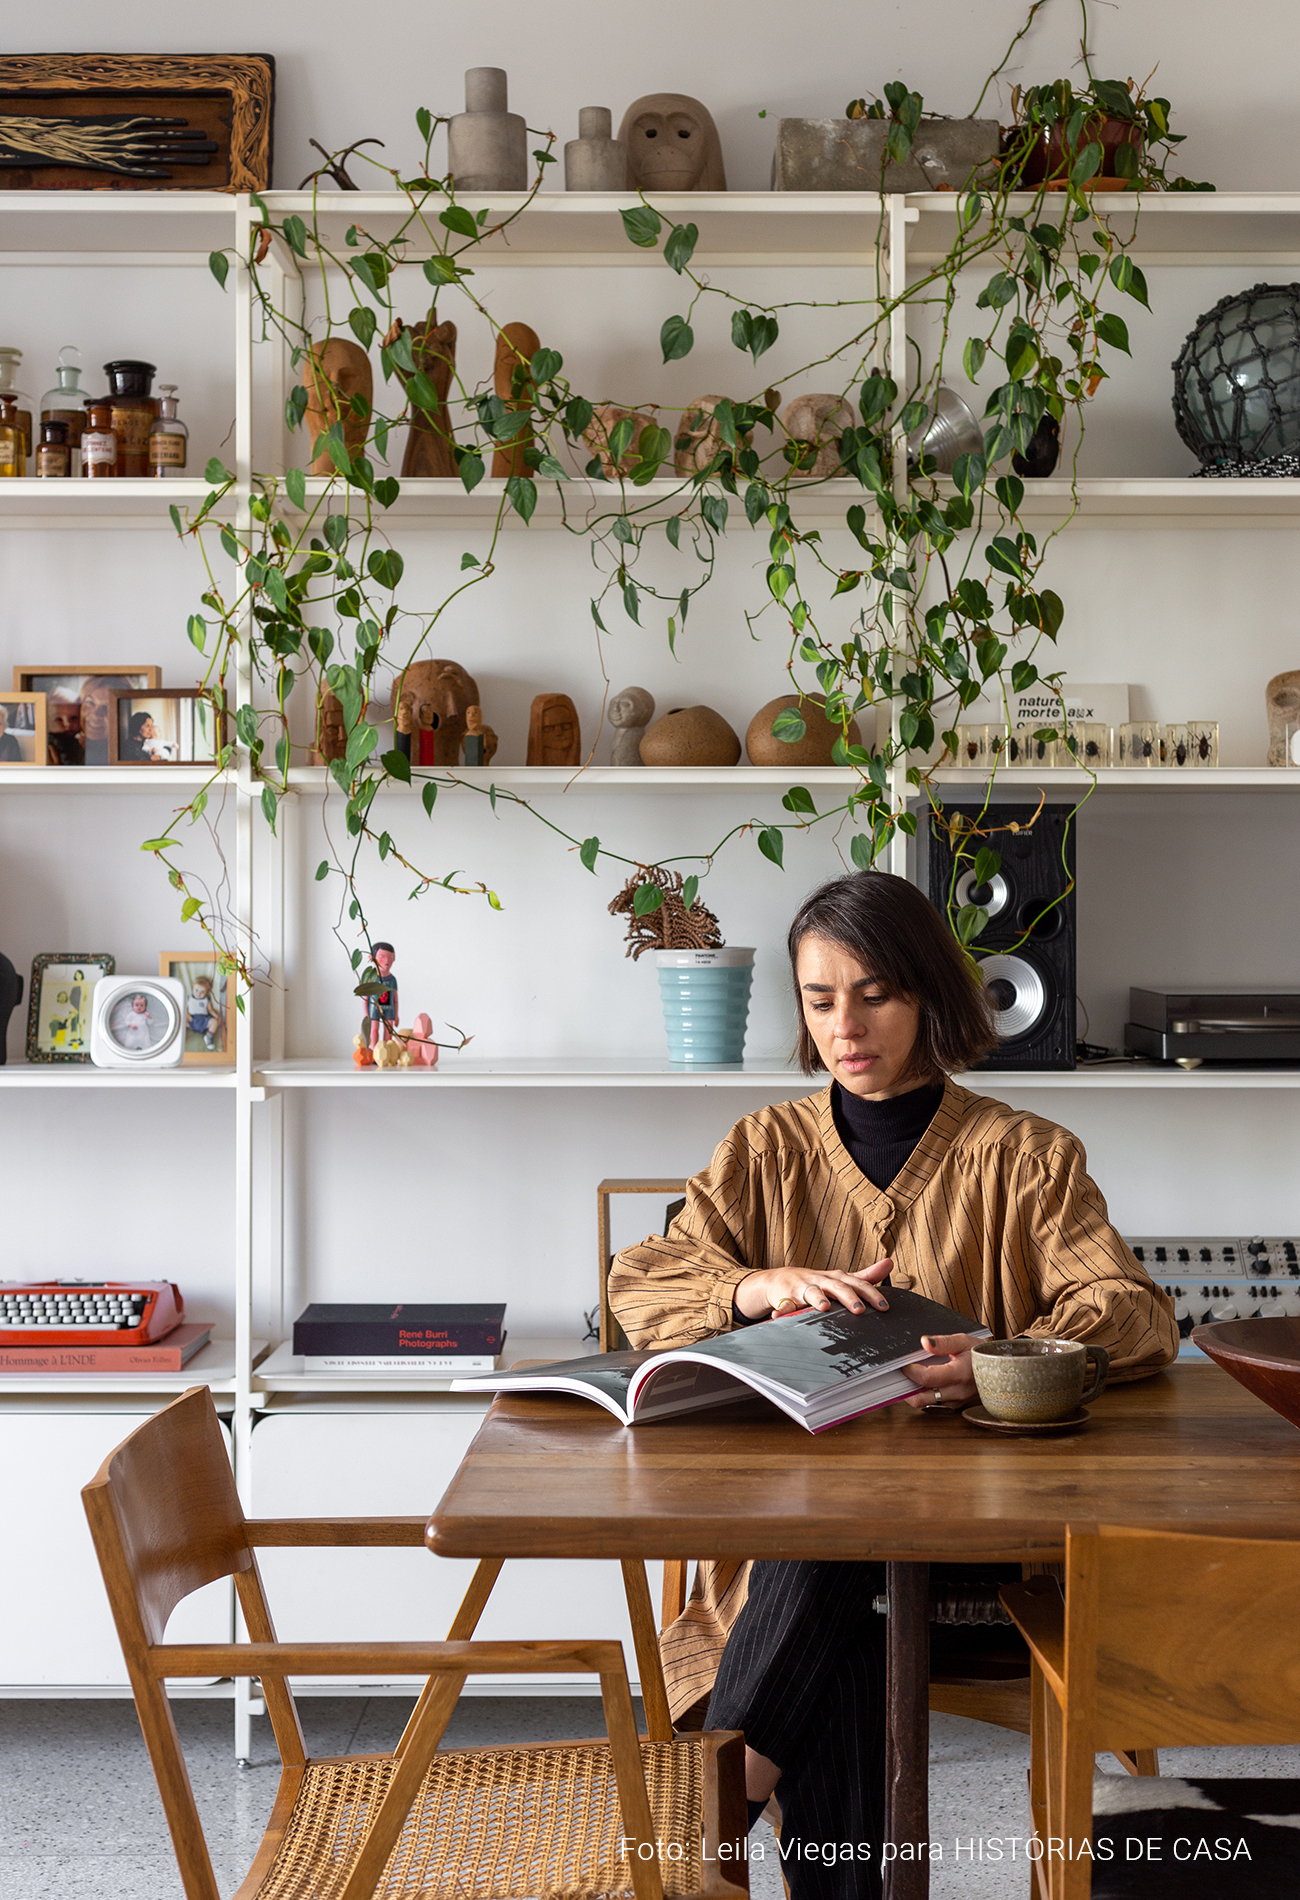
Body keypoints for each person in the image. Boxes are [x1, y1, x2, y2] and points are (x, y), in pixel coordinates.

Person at [609, 870, 1177, 1900]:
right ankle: (730, 1818)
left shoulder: (1028, 1157)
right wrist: (751, 1286)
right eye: (819, 1000)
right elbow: (640, 1284)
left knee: (836, 1564)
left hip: (986, 1568)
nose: (844, 1025)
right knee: (841, 1581)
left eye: (872, 994)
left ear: (927, 993)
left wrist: (996, 1362)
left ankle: (713, 1814)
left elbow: (1133, 1313)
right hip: (797, 1569)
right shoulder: (761, 1149)